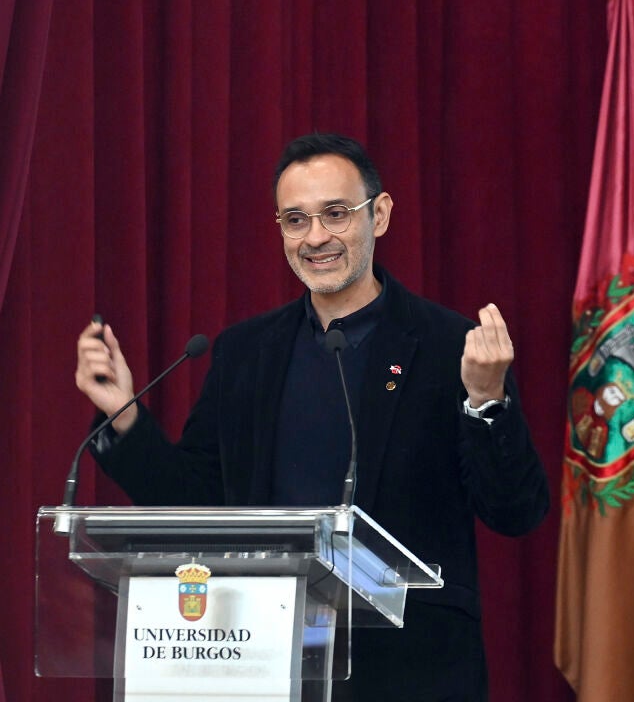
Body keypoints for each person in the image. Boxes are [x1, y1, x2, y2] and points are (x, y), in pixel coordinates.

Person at [73, 132, 549, 700]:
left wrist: (486, 401)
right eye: (296, 220)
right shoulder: (246, 352)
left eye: (336, 214)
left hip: (411, 672)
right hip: (264, 663)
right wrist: (123, 417)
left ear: (380, 215)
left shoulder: (451, 345)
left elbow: (515, 511)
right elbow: (196, 501)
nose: (316, 237)